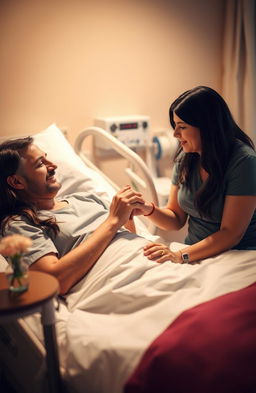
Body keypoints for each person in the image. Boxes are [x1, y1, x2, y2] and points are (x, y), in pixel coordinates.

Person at [0, 136, 149, 295]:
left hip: (149, 263)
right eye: (40, 164)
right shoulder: (19, 224)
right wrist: (113, 221)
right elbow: (55, 281)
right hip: (118, 281)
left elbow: (127, 239)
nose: (53, 166)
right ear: (16, 182)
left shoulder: (87, 198)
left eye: (47, 158)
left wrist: (127, 216)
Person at [133, 86, 256, 264]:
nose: (175, 134)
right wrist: (147, 209)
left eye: (182, 127)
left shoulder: (244, 162)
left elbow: (231, 234)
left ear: (207, 127)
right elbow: (175, 219)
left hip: (238, 257)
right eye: (175, 126)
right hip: (194, 254)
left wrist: (180, 255)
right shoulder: (186, 158)